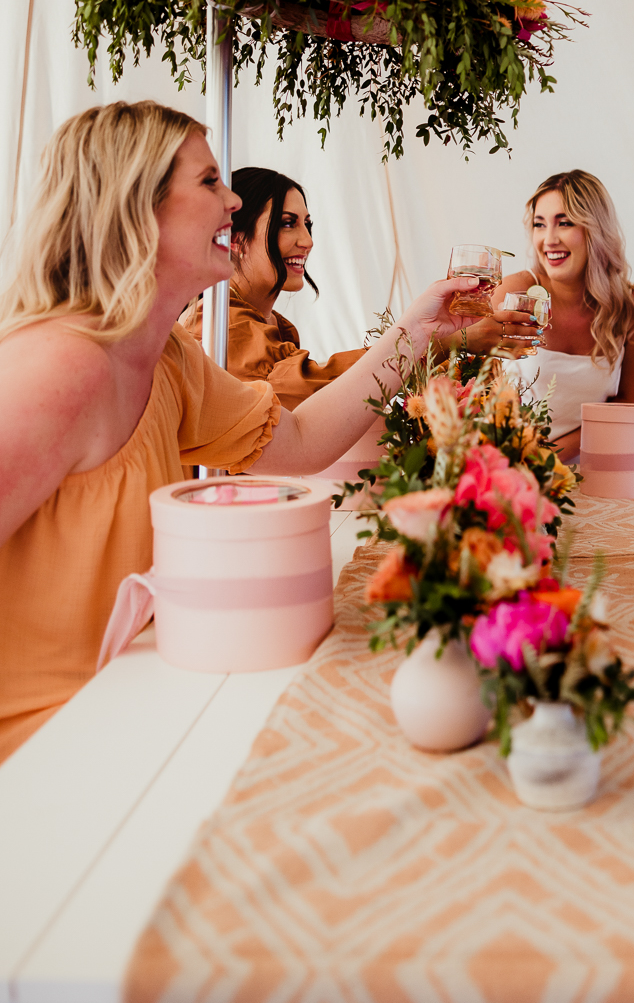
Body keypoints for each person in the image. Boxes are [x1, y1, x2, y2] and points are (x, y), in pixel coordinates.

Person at [0, 102, 482, 763]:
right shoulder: (60, 366)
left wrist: (417, 334)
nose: (232, 202)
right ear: (134, 205)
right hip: (49, 741)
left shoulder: (168, 358)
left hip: (135, 689)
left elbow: (304, 441)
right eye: (208, 183)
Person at [186, 167, 536, 409]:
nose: (307, 241)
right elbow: (309, 391)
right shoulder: (220, 324)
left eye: (308, 225)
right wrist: (443, 341)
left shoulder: (269, 325)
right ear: (233, 236)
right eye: (287, 224)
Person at [492, 170, 634, 462]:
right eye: (539, 225)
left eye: (564, 223)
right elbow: (474, 384)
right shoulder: (516, 292)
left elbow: (627, 407)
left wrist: (545, 461)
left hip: (589, 464)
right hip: (506, 462)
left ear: (595, 229)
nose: (549, 239)